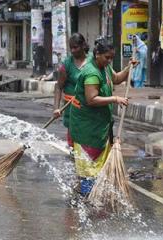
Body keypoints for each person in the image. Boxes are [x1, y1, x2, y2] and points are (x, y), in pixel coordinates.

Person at [69, 38, 135, 196]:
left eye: (112, 57)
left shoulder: (104, 67)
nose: (109, 60)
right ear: (97, 54)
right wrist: (115, 99)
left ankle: (91, 196)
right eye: (107, 57)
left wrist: (128, 68)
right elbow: (91, 99)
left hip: (99, 126)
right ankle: (86, 199)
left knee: (97, 168)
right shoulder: (91, 72)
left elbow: (117, 79)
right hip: (87, 128)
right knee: (88, 169)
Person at [53, 33, 90, 148]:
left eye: (76, 47)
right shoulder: (67, 65)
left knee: (88, 144)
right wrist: (56, 108)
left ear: (83, 45)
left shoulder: (93, 61)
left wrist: (128, 68)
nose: (73, 51)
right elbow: (59, 87)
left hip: (89, 109)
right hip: (72, 110)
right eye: (71, 48)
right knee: (74, 146)